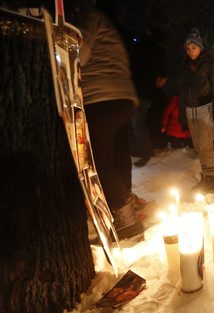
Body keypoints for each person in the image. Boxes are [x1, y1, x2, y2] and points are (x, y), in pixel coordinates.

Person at [80, 6, 144, 239]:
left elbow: (80, 52)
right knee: (118, 155)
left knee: (100, 160)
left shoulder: (86, 16)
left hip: (100, 97)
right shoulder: (106, 21)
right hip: (122, 97)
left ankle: (125, 218)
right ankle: (124, 207)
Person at [179, 28, 214, 192]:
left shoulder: (211, 65)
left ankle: (212, 179)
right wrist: (182, 116)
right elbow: (182, 91)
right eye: (188, 49)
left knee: (206, 145)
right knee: (198, 146)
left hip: (206, 109)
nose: (191, 52)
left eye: (194, 48)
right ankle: (206, 176)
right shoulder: (185, 67)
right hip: (190, 111)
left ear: (201, 48)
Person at [128, 27, 168, 167]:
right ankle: (139, 150)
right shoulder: (156, 51)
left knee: (137, 123)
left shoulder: (143, 49)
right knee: (136, 123)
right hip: (143, 91)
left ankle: (144, 152)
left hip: (139, 90)